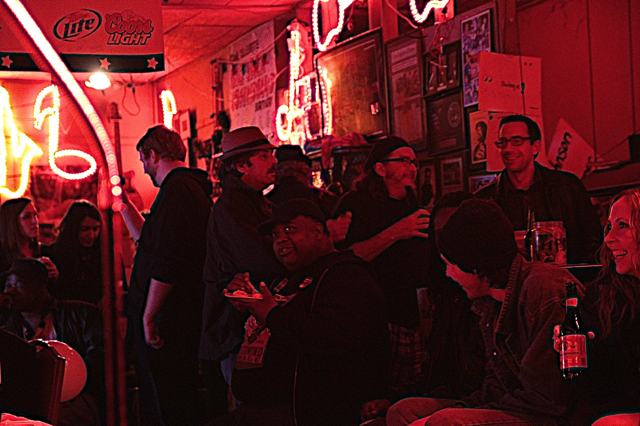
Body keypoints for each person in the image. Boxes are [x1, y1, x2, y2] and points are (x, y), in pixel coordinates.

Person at [386, 198, 576, 425]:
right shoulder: (489, 302)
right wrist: (466, 408)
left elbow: (548, 398)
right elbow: (496, 386)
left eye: (450, 264)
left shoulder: (544, 290)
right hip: (512, 404)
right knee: (403, 411)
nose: (447, 274)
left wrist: (457, 415)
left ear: (474, 264)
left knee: (445, 422)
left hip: (549, 414)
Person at [213, 199, 389, 425]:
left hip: (305, 413)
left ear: (319, 230)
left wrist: (271, 314)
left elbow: (334, 337)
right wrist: (246, 304)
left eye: (289, 229)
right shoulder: (284, 280)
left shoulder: (346, 275)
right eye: (275, 235)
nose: (281, 240)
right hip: (258, 408)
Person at [120, 125, 212, 425]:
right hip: (177, 316)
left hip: (170, 320)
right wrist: (121, 203)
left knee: (167, 403)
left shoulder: (176, 191)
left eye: (144, 161)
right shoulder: (187, 189)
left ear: (152, 154)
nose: (144, 170)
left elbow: (168, 261)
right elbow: (149, 241)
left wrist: (148, 316)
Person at [333, 136, 430, 397]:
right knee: (375, 393)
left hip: (411, 313)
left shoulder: (413, 202)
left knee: (409, 390)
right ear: (380, 168)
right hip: (373, 317)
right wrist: (398, 231)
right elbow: (347, 259)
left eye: (414, 162)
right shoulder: (355, 204)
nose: (411, 167)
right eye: (403, 160)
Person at [198, 126, 284, 404]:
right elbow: (261, 260)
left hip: (247, 327)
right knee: (251, 406)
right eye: (263, 156)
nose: (274, 161)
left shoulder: (255, 203)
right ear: (240, 166)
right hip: (236, 331)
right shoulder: (232, 208)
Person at [556, 188, 640, 424]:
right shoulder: (603, 295)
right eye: (609, 227)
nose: (609, 239)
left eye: (622, 225)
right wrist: (579, 349)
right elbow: (593, 389)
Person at [475, 114, 601, 264]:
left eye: (516, 141)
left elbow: (593, 240)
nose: (507, 149)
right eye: (503, 142)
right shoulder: (485, 200)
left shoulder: (567, 186)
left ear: (535, 146)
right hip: (509, 285)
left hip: (565, 281)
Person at [0, 258, 103, 425]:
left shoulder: (80, 315)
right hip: (28, 400)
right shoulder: (9, 329)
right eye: (8, 285)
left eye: (18, 284)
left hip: (74, 399)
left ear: (40, 286)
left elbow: (97, 359)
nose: (11, 292)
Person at [48, 200, 103, 305]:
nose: (91, 235)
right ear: (73, 228)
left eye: (95, 229)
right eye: (84, 229)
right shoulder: (55, 254)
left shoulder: (105, 255)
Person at [0, 197, 58, 281]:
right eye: (27, 217)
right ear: (12, 222)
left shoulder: (44, 252)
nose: (34, 221)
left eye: (35, 215)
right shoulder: (3, 255)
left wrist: (55, 275)